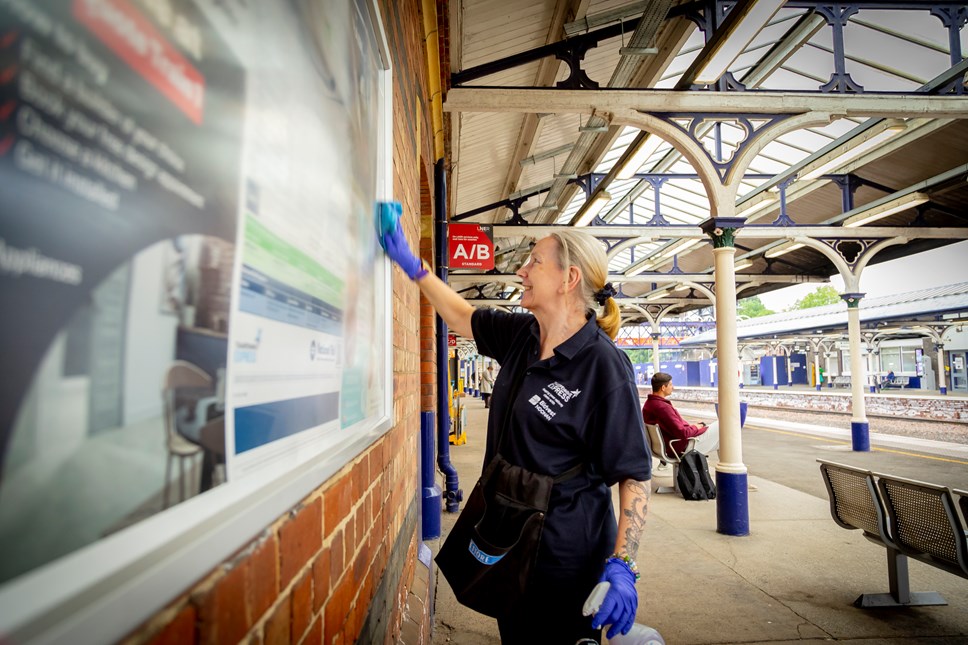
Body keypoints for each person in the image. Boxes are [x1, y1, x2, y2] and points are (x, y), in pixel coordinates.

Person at [381, 213, 652, 644]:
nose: (521, 271)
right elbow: (462, 315)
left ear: (569, 278)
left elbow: (634, 475)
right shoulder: (523, 334)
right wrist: (414, 267)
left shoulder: (603, 365)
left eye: (535, 262)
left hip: (566, 554)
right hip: (510, 536)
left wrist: (623, 565)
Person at [642, 372, 719, 457]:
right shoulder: (662, 408)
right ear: (663, 387)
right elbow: (682, 433)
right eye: (670, 385)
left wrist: (691, 427)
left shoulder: (648, 404)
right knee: (722, 425)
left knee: (723, 441)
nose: (673, 387)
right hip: (681, 446)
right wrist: (695, 427)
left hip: (667, 447)